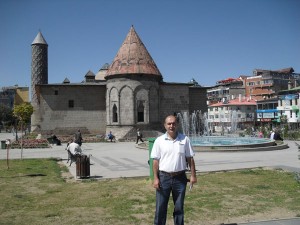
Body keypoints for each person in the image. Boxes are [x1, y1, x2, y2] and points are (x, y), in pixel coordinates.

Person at [150, 115, 197, 225]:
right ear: (165, 125)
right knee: (161, 207)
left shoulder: (185, 139)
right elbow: (155, 161)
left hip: (180, 178)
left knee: (179, 208)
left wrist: (193, 175)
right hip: (163, 178)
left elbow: (190, 159)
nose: (172, 126)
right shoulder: (159, 141)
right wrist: (155, 178)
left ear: (177, 124)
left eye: (174, 123)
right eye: (169, 124)